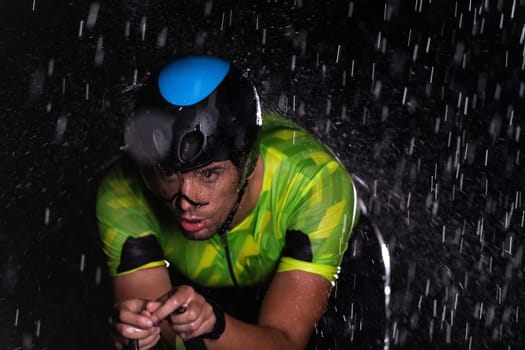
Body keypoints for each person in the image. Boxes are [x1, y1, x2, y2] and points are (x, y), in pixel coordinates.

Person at [96, 55, 360, 350]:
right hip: (205, 296)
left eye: (209, 173)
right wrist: (143, 334)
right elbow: (165, 338)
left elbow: (285, 343)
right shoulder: (122, 192)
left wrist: (215, 329)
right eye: (168, 172)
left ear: (247, 162)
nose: (186, 201)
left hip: (329, 279)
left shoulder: (315, 183)